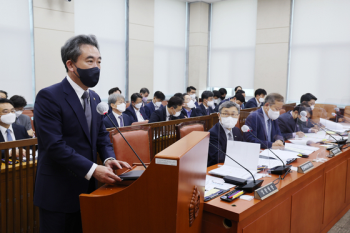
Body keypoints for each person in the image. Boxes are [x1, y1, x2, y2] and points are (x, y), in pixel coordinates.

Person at [33, 35, 131, 233]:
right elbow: (55, 145)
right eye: (90, 61)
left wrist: (109, 157)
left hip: (89, 189)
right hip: (58, 191)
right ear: (71, 64)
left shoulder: (94, 97)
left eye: (99, 61)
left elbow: (101, 134)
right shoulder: (49, 96)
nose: (96, 67)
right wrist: (93, 169)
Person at [208, 101, 243, 167]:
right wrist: (239, 156)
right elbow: (219, 157)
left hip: (234, 165)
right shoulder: (213, 133)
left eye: (233, 114)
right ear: (219, 115)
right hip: (216, 167)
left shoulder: (237, 130)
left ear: (238, 116)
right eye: (226, 114)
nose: (230, 117)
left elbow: (241, 148)